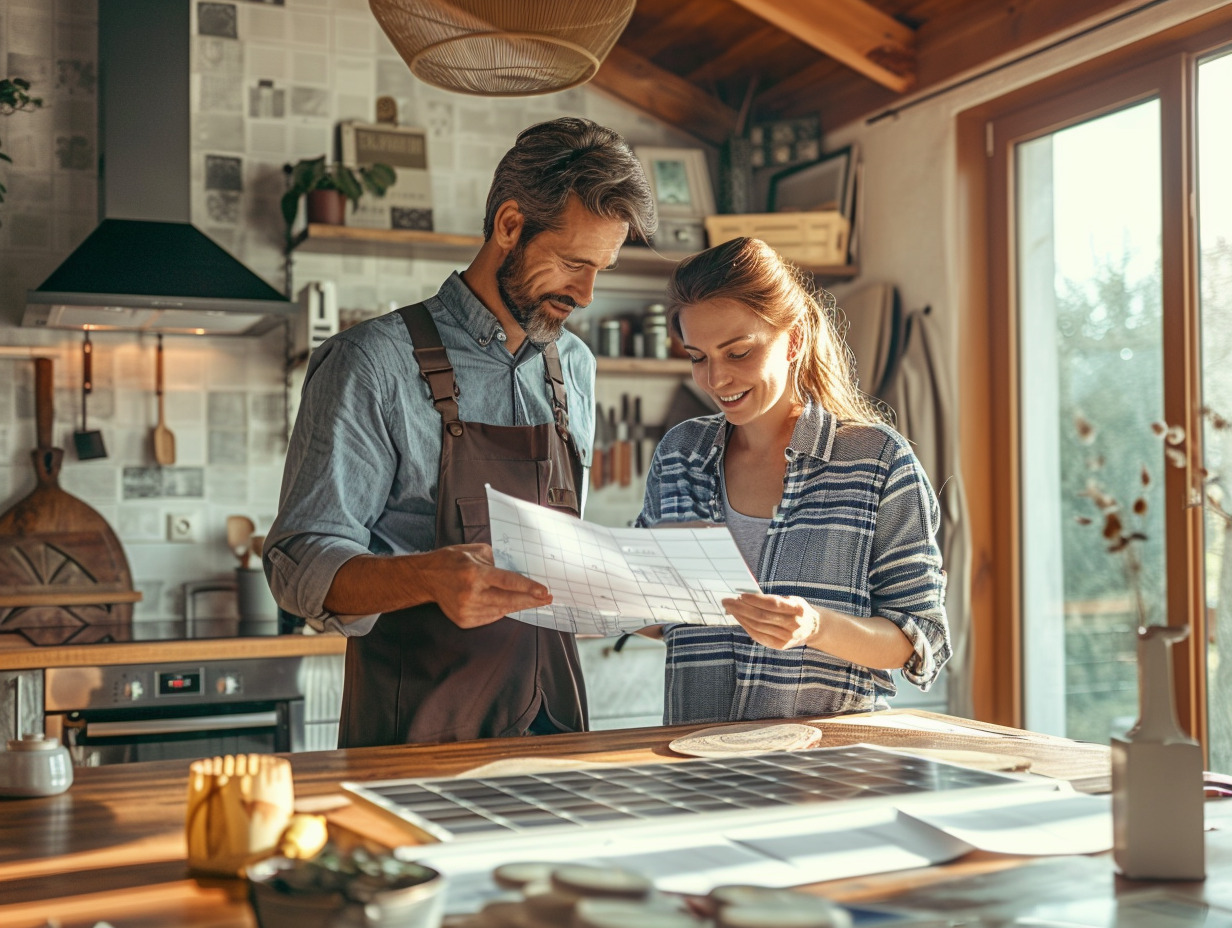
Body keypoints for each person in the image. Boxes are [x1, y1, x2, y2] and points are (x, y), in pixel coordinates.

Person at [264, 117, 657, 746]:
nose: (585, 294)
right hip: (414, 737)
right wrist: (428, 576)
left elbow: (562, 561)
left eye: (600, 270)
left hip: (555, 735)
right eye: (572, 263)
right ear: (509, 226)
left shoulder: (575, 367)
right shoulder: (372, 362)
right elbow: (298, 564)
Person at [637, 237, 950, 723]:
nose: (716, 379)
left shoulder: (877, 460)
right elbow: (657, 616)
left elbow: (918, 637)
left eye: (738, 352)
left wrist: (815, 627)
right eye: (698, 357)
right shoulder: (680, 455)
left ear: (795, 339)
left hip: (824, 768)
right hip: (697, 760)